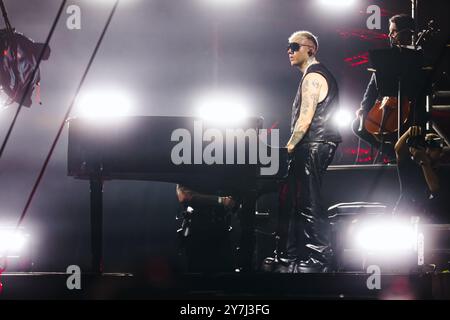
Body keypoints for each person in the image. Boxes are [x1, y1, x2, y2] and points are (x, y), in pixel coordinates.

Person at [265, 30, 341, 273]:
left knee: (310, 202)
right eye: (288, 46)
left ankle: (319, 259)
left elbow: (305, 119)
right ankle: (295, 256)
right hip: (313, 144)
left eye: (294, 45)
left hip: (313, 144)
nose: (289, 50)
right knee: (299, 201)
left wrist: (289, 146)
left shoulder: (313, 77)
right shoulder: (312, 76)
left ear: (310, 48)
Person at [352, 14, 418, 157]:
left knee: (407, 126)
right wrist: (364, 107)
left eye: (393, 31)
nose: (390, 35)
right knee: (358, 126)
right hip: (386, 103)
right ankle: (391, 153)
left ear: (405, 33)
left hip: (411, 107)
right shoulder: (387, 57)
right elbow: (372, 86)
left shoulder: (417, 56)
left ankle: (403, 154)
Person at [393, 126, 450, 222]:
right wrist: (408, 132)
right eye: (425, 147)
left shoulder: (445, 171)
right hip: (405, 217)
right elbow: (399, 150)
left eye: (432, 149)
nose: (427, 152)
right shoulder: (410, 167)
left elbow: (435, 188)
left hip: (433, 219)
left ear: (441, 153)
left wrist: (424, 161)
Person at [175, 184, 236, 272]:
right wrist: (220, 200)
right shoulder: (186, 178)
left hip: (219, 232)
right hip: (197, 233)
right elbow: (186, 197)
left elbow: (233, 200)